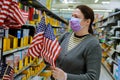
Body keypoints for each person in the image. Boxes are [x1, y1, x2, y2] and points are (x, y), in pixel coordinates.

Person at [51, 5, 102, 80]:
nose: (72, 19)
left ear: (87, 21)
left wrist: (65, 76)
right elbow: (53, 56)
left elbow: (93, 77)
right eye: (72, 16)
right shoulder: (65, 36)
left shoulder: (93, 45)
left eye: (76, 17)